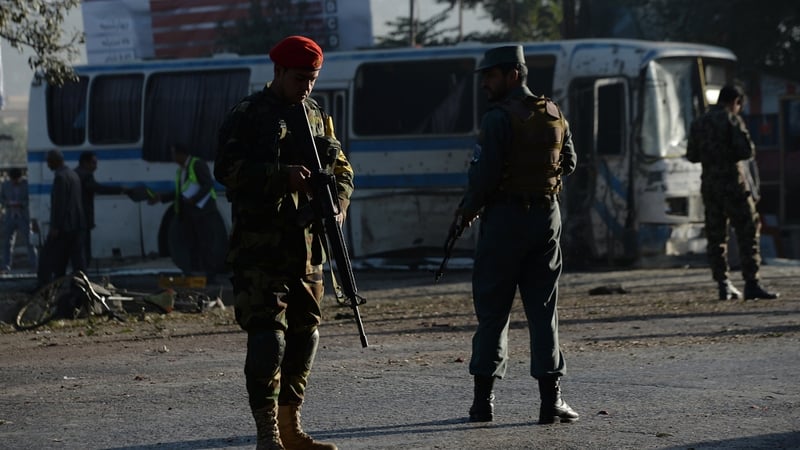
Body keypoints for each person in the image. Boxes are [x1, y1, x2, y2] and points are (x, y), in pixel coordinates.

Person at [215, 35, 353, 450]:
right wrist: (282, 176)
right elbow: (227, 170)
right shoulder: (248, 115)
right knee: (267, 339)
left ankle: (292, 425)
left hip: (308, 249)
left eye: (312, 79)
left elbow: (342, 166)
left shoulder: (315, 116)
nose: (306, 87)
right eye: (299, 78)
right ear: (277, 72)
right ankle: (267, 431)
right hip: (260, 250)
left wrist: (340, 203)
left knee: (305, 335)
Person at [455, 45, 579, 425]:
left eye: (491, 76)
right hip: (546, 219)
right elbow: (570, 163)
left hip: (505, 222)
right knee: (544, 312)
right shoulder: (555, 114)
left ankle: (483, 403)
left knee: (493, 311)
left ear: (513, 75)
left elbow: (484, 176)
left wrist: (467, 211)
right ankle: (551, 401)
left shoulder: (497, 119)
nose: (485, 85)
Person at [687, 84, 778, 301]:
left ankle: (723, 284)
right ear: (736, 101)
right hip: (732, 184)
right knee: (748, 230)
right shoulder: (731, 119)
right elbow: (747, 151)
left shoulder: (699, 122)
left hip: (710, 185)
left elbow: (691, 155)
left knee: (716, 235)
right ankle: (751, 283)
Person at [148, 143, 221, 282]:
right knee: (193, 245)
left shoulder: (197, 164)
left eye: (174, 154)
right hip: (190, 215)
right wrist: (161, 198)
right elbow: (179, 193)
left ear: (181, 154)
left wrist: (195, 199)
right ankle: (196, 274)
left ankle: (211, 277)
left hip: (203, 213)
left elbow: (208, 184)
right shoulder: (181, 171)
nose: (173, 157)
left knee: (206, 244)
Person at [38, 149, 86, 287]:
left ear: (55, 161)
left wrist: (55, 227)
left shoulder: (60, 177)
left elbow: (59, 204)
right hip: (77, 225)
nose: (48, 165)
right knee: (78, 261)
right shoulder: (73, 174)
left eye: (49, 162)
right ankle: (80, 289)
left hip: (65, 227)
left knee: (54, 260)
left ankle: (51, 288)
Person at [74, 151, 129, 265]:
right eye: (93, 163)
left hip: (74, 218)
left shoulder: (74, 173)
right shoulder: (86, 176)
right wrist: (119, 189)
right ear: (85, 163)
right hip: (83, 218)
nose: (96, 166)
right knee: (84, 250)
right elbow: (98, 188)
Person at [1, 168, 38, 272]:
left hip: (23, 216)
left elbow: (30, 199)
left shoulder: (26, 185)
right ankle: (6, 266)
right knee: (7, 243)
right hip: (10, 217)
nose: (14, 182)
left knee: (29, 242)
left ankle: (34, 264)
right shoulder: (5, 185)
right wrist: (7, 203)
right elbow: (2, 199)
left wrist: (21, 204)